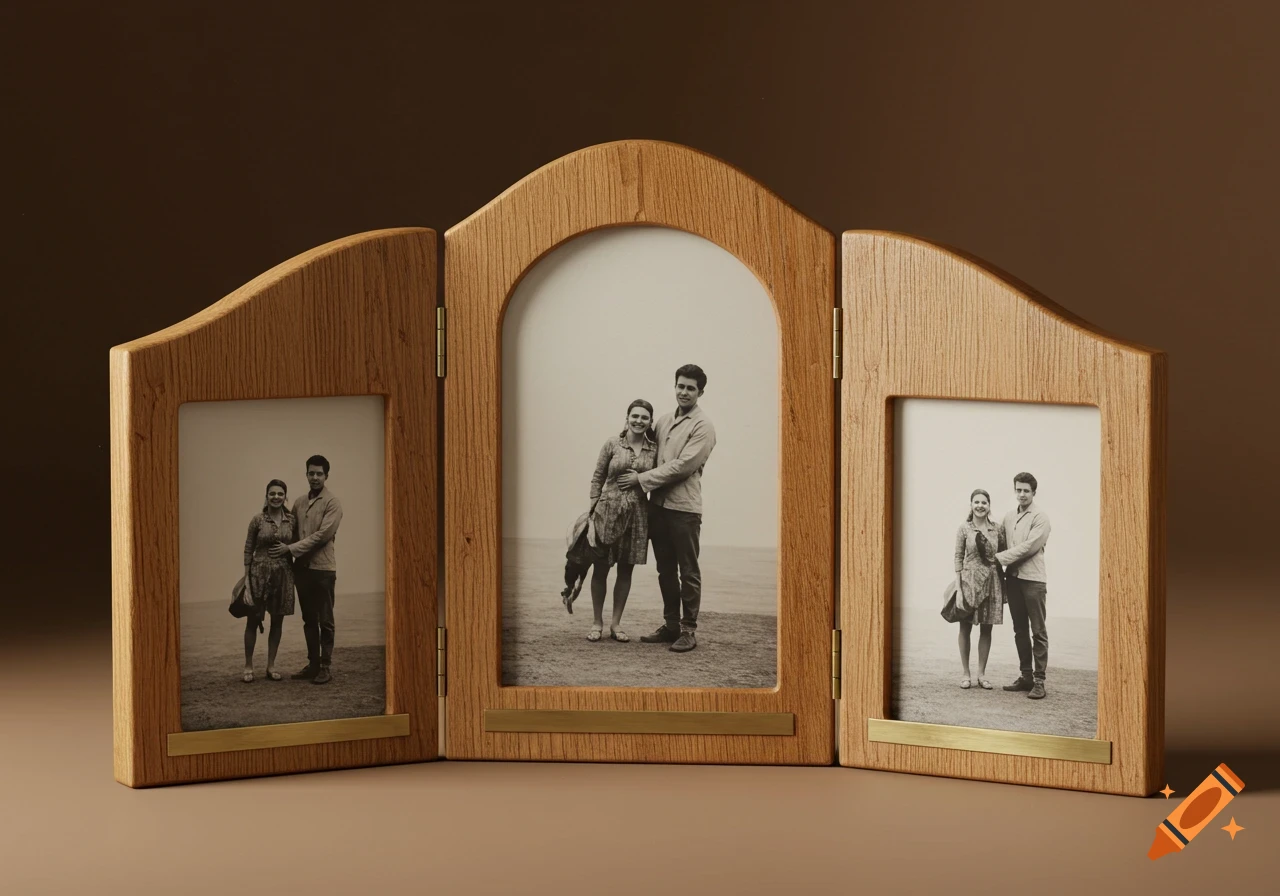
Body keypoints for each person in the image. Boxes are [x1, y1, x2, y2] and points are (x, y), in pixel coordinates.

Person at [618, 364, 716, 654]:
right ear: (674, 387)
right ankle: (671, 625)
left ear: (700, 392)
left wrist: (640, 480)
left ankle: (688, 631)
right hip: (657, 507)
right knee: (664, 570)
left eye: (690, 388)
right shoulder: (661, 421)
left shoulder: (703, 426)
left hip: (685, 510)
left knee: (688, 570)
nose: (684, 392)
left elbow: (682, 466)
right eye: (680, 386)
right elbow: (638, 443)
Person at [578, 399, 659, 642]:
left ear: (650, 422)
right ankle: (596, 623)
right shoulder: (612, 444)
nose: (639, 421)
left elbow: (660, 478)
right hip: (607, 514)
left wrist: (642, 478)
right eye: (635, 416)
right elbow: (597, 478)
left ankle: (616, 624)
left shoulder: (654, 449)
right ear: (627, 417)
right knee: (601, 569)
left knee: (626, 570)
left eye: (644, 417)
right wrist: (593, 510)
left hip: (637, 517)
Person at [270, 454, 343, 685]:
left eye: (319, 473)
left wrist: (290, 549)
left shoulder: (333, 503)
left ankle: (325, 666)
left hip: (323, 570)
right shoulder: (299, 502)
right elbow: (289, 530)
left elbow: (322, 536)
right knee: (309, 620)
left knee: (326, 620)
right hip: (302, 571)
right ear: (306, 474)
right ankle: (313, 664)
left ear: (326, 476)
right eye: (311, 473)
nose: (314, 477)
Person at [996, 472, 1052, 700]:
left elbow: (1030, 547)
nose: (1022, 494)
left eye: (1026, 491)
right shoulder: (1009, 517)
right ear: (1015, 490)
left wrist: (1000, 558)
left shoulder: (1041, 517)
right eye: (1018, 490)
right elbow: (999, 541)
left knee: (1038, 631)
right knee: (1019, 629)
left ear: (1033, 493)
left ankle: (1039, 681)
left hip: (1034, 581)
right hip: (1013, 581)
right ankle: (1026, 676)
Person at [240, 479, 297, 683]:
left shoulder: (291, 520)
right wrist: (246, 580)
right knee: (253, 621)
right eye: (272, 494)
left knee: (277, 621)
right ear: (267, 496)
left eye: (280, 494)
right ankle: (248, 665)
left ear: (285, 496)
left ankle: (271, 666)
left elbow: (298, 544)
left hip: (283, 575)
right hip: (258, 575)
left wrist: (288, 549)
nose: (276, 497)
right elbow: (248, 549)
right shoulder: (257, 520)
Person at [952, 488, 1006, 690]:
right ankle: (966, 674)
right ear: (971, 505)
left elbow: (1004, 556)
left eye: (984, 502)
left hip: (992, 582)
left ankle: (981, 674)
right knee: (964, 627)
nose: (980, 506)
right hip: (969, 582)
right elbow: (958, 558)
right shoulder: (964, 528)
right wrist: (958, 589)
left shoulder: (997, 529)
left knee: (986, 628)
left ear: (989, 506)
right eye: (977, 502)